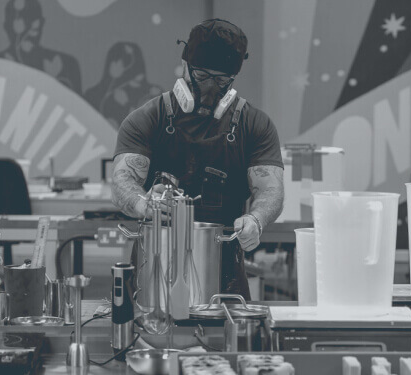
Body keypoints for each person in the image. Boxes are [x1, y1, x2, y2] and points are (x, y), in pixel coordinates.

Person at [111, 19, 284, 300]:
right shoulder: (148, 118)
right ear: (184, 65)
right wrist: (143, 205)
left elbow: (270, 190)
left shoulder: (255, 125)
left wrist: (256, 219)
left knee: (227, 339)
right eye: (202, 76)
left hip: (224, 271)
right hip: (155, 266)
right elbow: (122, 181)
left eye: (221, 80)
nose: (209, 89)